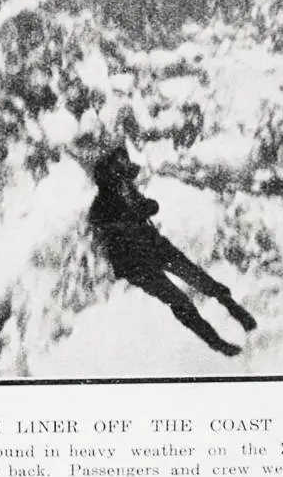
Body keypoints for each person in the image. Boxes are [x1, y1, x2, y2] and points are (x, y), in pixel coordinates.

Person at [88, 147, 258, 356]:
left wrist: (145, 207)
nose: (125, 178)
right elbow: (108, 225)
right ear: (110, 178)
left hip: (153, 247)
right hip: (137, 265)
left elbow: (144, 207)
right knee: (180, 302)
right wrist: (134, 215)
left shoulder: (124, 189)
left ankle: (234, 309)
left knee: (198, 279)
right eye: (120, 172)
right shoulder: (101, 206)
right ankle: (217, 342)